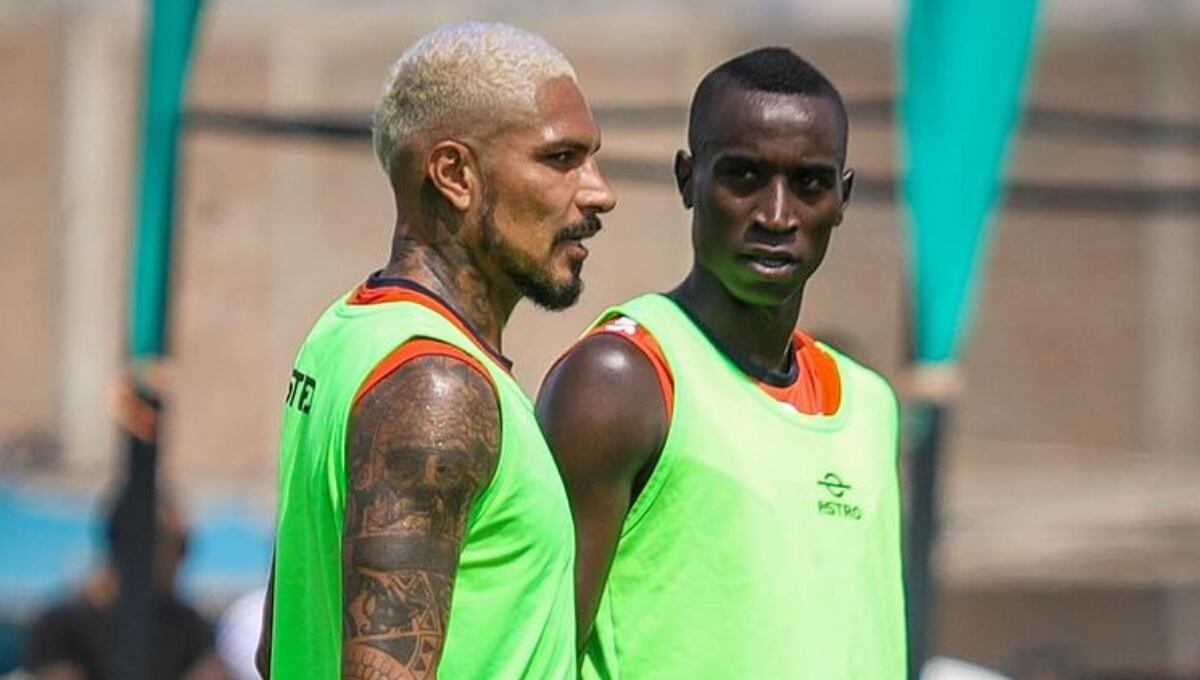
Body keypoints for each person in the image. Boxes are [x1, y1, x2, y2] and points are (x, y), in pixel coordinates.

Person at [256, 21, 615, 680]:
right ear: (454, 173)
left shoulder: (345, 335)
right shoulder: (436, 386)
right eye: (561, 159)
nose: (599, 192)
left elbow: (272, 646)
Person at [536, 47, 906, 678]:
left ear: (842, 199)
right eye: (744, 177)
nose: (777, 215)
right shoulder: (622, 379)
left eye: (810, 184)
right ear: (688, 179)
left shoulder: (870, 403)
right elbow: (535, 653)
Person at [23, 501, 226, 680]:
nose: (182, 560)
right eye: (180, 547)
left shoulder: (187, 626)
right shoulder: (61, 626)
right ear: (135, 546)